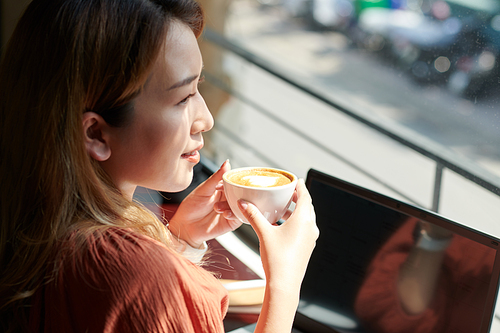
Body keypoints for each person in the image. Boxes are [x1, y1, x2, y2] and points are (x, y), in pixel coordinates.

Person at [0, 0, 319, 332]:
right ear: (96, 133)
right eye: (183, 98)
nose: (206, 120)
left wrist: (183, 241)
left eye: (199, 89)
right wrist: (284, 283)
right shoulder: (140, 278)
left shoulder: (35, 226)